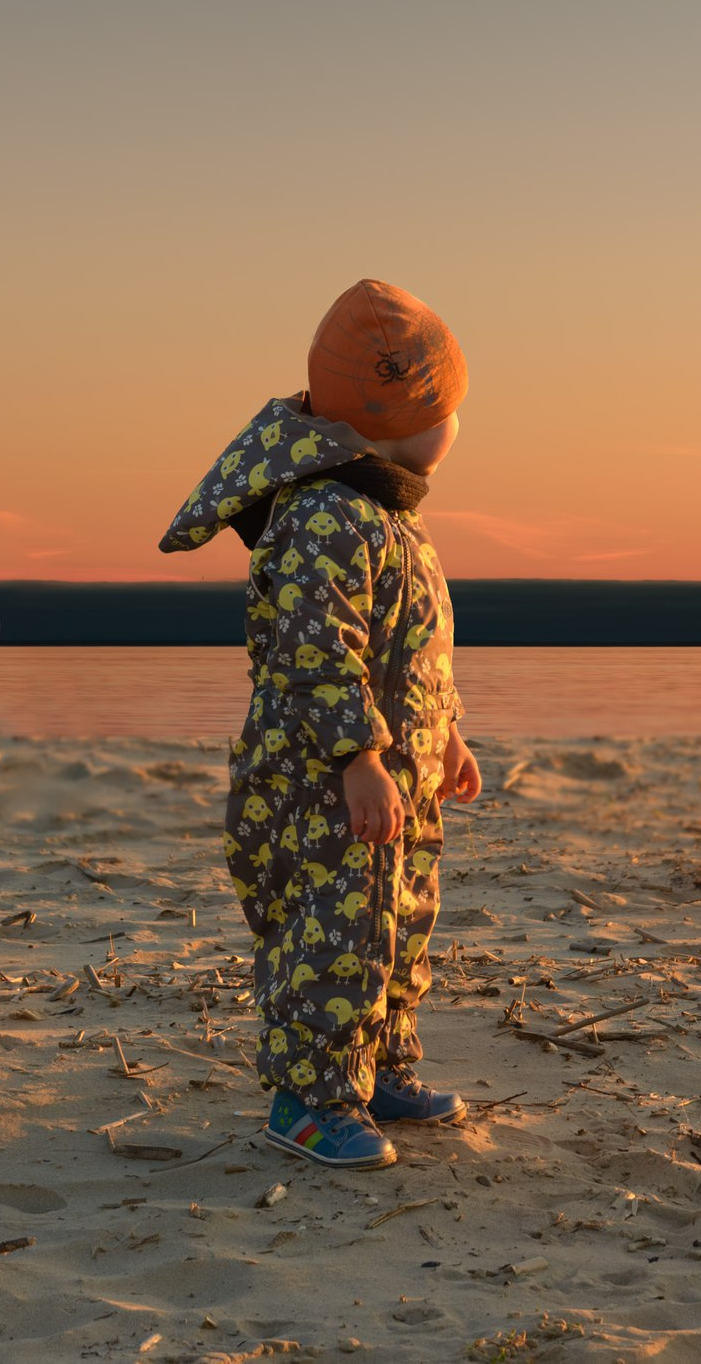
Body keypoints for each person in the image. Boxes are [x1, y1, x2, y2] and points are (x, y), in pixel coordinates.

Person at [158, 278, 482, 1170]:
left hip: (395, 779)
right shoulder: (325, 519)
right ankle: (308, 1097)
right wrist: (357, 755)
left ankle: (377, 1067)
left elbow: (416, 650)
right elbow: (317, 650)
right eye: (448, 407)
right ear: (394, 418)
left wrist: (446, 734)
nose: (459, 425)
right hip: (322, 784)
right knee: (330, 935)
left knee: (398, 923)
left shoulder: (390, 517)